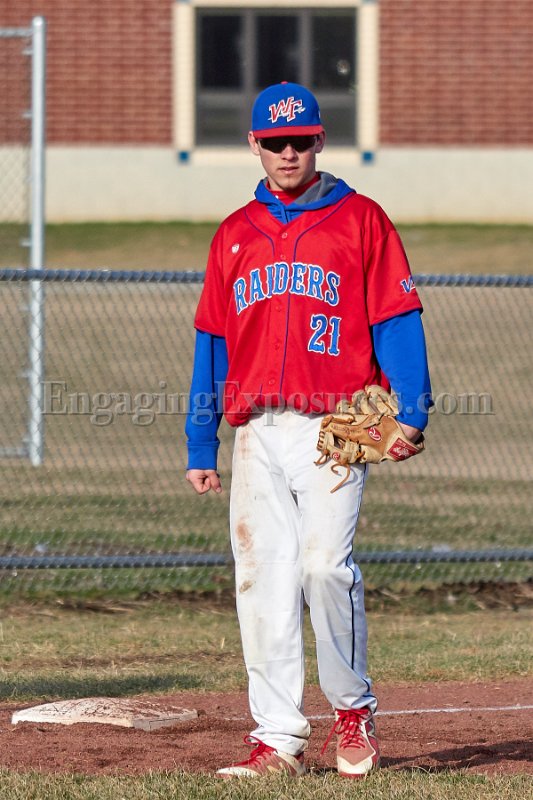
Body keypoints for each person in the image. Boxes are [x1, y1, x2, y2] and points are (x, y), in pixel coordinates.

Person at [185, 82, 432, 779]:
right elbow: (212, 342)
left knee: (324, 567)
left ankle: (352, 710)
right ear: (254, 145)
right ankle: (277, 740)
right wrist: (201, 440)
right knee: (262, 579)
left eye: (300, 140)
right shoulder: (234, 233)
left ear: (320, 140)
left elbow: (395, 318)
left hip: (334, 430)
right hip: (256, 432)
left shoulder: (361, 220)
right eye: (274, 142)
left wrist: (412, 409)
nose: (287, 152)